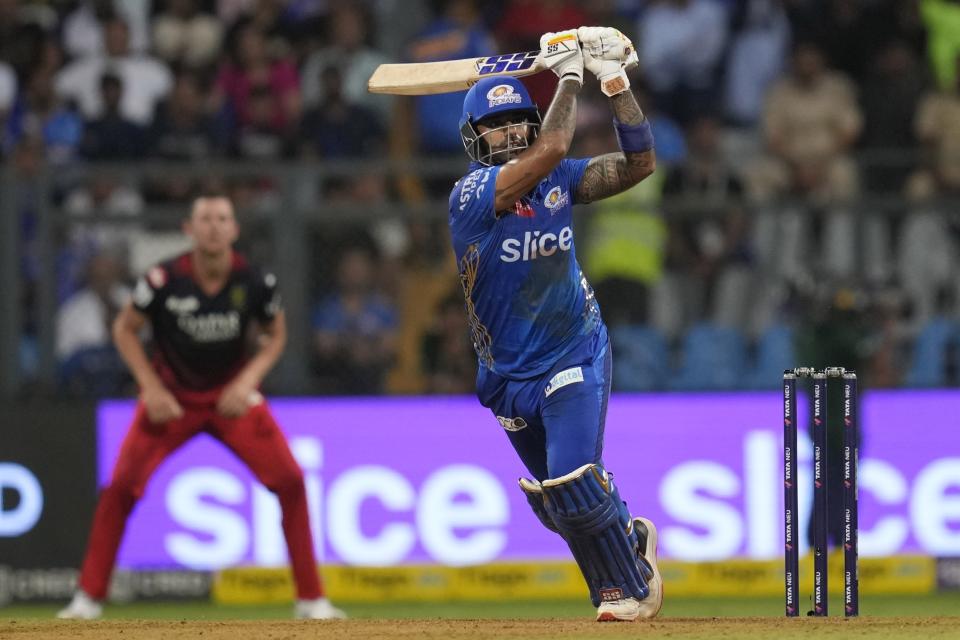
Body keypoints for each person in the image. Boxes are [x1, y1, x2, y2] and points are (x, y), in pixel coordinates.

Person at [448, 28, 662, 622]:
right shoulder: (470, 196)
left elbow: (640, 162)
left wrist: (614, 83)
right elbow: (550, 147)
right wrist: (571, 73)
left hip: (574, 350)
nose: (512, 131)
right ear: (475, 138)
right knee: (559, 505)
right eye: (498, 125)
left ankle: (626, 592)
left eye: (520, 119)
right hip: (506, 375)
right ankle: (630, 544)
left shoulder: (559, 181)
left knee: (571, 483)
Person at [57, 195, 345, 621]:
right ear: (188, 229)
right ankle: (87, 599)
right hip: (170, 403)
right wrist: (151, 387)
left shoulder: (255, 282)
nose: (213, 227)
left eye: (222, 219)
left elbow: (276, 335)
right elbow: (125, 329)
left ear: (234, 230)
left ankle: (311, 599)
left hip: (231, 401)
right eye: (205, 219)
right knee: (119, 488)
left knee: (290, 481)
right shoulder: (161, 280)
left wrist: (247, 381)